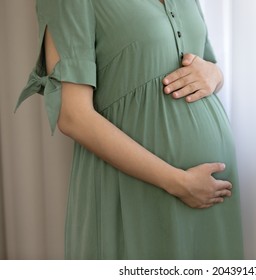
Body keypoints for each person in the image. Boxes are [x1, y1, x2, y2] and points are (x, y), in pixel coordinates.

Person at [16, 0, 243, 259]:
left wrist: (215, 74)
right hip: (141, 190)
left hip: (212, 195)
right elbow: (73, 116)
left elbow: (207, 65)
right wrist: (179, 183)